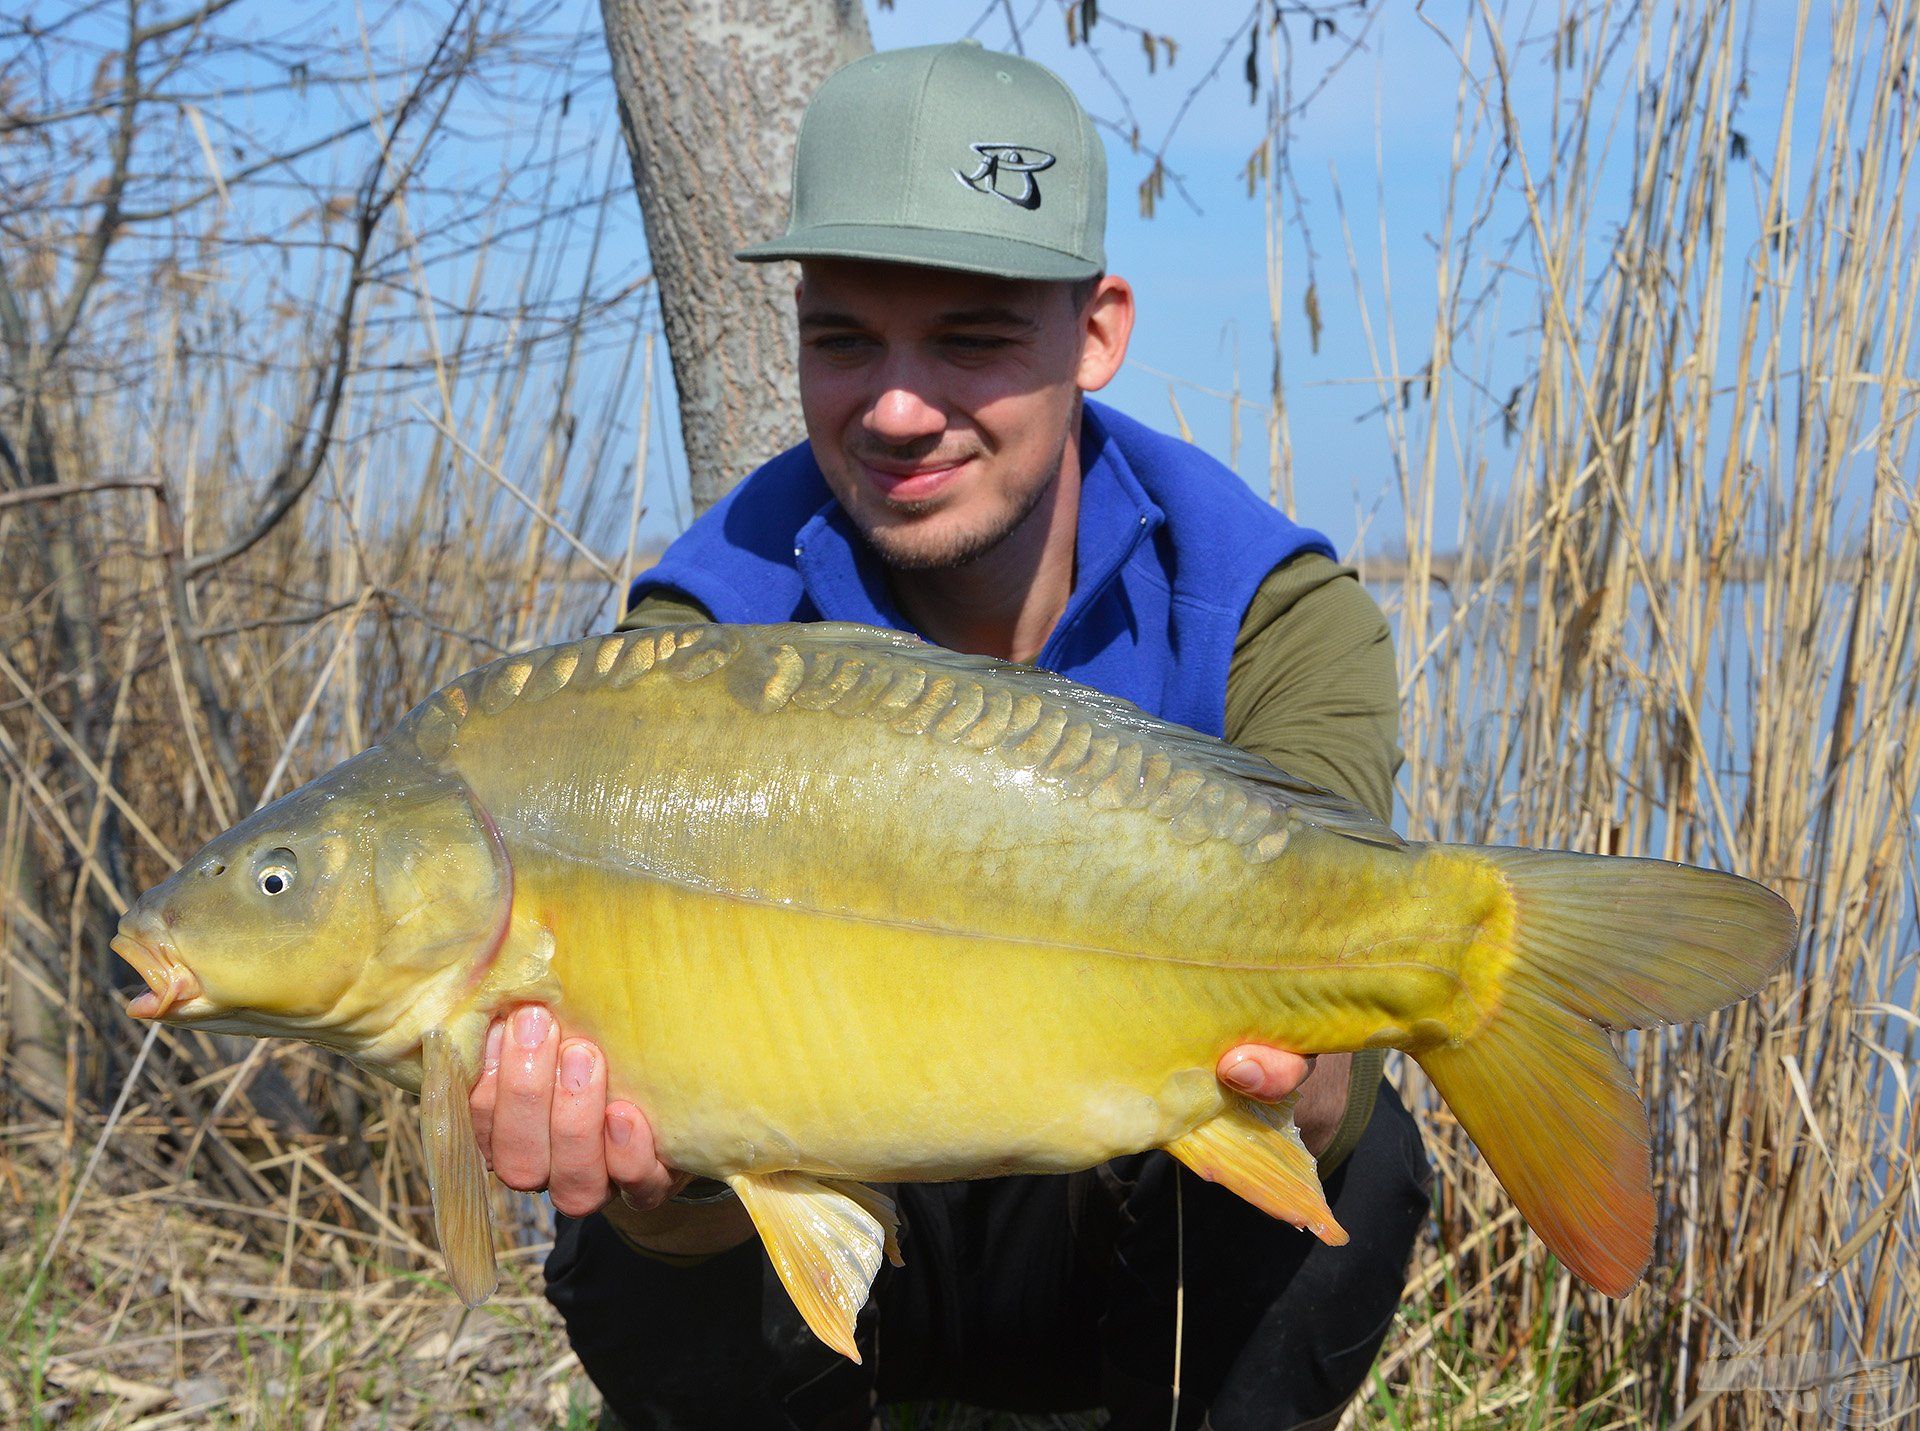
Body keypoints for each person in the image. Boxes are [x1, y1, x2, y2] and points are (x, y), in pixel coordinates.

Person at [467, 40, 1432, 1431]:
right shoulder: (685, 654)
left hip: (1116, 1210)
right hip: (829, 1235)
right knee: (620, 1208)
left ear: (1097, 330)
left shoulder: (1272, 615)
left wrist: (1314, 1078)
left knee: (1371, 1148)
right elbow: (653, 1175)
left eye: (972, 337)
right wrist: (658, 1194)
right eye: (844, 340)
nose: (900, 409)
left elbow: (1340, 1042)